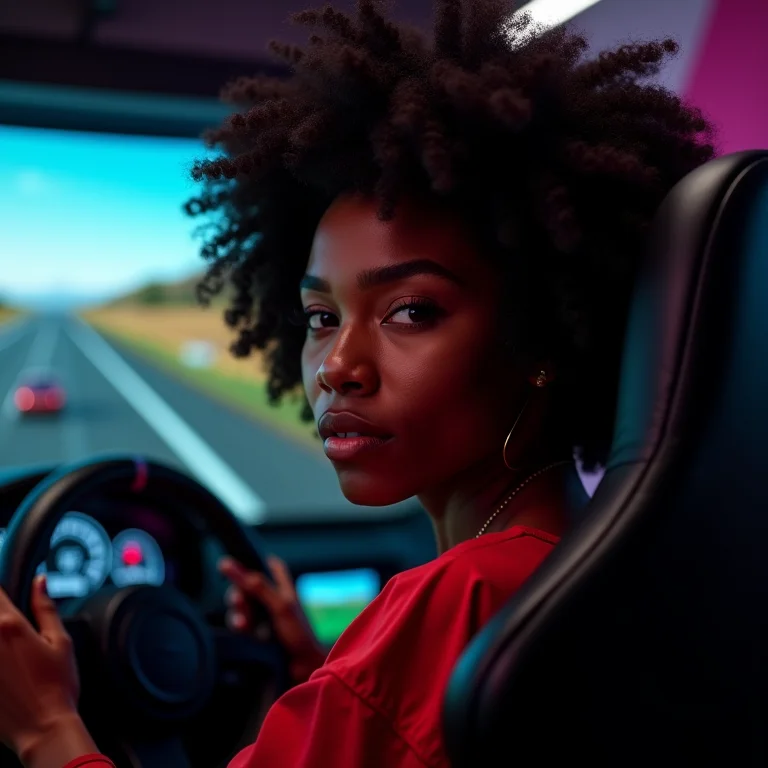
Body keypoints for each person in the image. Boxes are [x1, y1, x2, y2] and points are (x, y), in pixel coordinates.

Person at [0, 1, 716, 766]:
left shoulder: (462, 598)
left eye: (411, 311)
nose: (337, 365)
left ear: (540, 341)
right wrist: (320, 678)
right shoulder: (606, 564)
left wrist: (45, 725)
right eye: (321, 317)